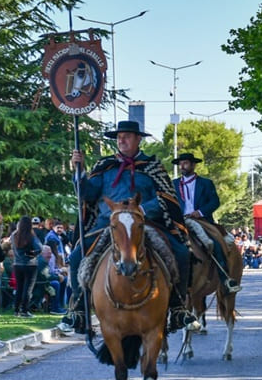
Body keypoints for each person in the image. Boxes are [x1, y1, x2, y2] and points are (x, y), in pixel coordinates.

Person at [66, 120, 199, 334]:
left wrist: (142, 211)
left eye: (126, 135)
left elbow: (166, 197)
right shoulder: (105, 166)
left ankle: (177, 308)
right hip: (108, 225)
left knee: (182, 253)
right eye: (119, 136)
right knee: (75, 258)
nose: (121, 139)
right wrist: (79, 172)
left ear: (138, 139)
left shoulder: (152, 166)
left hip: (145, 224)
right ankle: (78, 311)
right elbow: (87, 194)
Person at [172, 152, 240, 293]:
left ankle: (225, 278)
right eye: (181, 163)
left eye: (185, 163)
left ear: (193, 165)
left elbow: (215, 202)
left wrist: (200, 212)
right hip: (179, 221)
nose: (182, 166)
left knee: (215, 242)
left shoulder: (205, 183)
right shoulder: (174, 184)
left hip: (201, 220)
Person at [10, 216, 42, 317]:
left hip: (17, 264)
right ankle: (24, 310)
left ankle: (16, 309)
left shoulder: (14, 235)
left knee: (19, 287)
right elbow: (39, 247)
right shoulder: (31, 235)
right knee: (28, 288)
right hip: (30, 264)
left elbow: (12, 247)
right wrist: (34, 254)